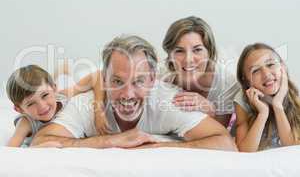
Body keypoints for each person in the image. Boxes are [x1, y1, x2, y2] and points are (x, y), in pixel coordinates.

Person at [31, 35, 236, 151]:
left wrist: (156, 146)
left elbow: (225, 142)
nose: (127, 94)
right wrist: (111, 141)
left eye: (138, 81)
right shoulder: (86, 104)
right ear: (104, 79)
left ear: (152, 80)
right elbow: (40, 141)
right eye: (117, 81)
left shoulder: (170, 101)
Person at [162, 16, 240, 127]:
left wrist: (210, 110)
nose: (188, 59)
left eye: (197, 50)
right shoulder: (162, 78)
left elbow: (220, 133)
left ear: (209, 52)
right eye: (179, 51)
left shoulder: (227, 84)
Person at [234, 43, 300, 152]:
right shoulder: (242, 99)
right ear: (246, 81)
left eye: (270, 65)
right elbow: (245, 152)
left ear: (282, 67)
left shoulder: (295, 94)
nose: (266, 74)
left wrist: (277, 104)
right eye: (255, 70)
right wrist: (263, 113)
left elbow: (292, 148)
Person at [6, 65, 68, 147]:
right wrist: (36, 148)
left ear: (54, 89)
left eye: (45, 95)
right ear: (19, 109)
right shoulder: (26, 122)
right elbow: (10, 150)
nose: (42, 106)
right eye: (31, 104)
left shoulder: (63, 100)